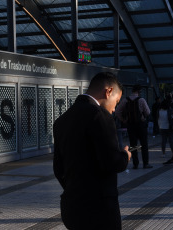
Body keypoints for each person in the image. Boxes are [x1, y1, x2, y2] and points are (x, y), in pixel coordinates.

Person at [53, 72, 131, 230]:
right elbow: (111, 162)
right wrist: (124, 156)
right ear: (108, 92)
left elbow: (58, 168)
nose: (114, 109)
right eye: (115, 103)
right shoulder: (100, 115)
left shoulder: (62, 120)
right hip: (99, 209)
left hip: (72, 207)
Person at [115, 84, 152, 169]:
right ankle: (145, 163)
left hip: (130, 125)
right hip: (141, 125)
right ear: (139, 91)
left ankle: (135, 164)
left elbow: (117, 112)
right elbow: (148, 112)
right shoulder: (141, 100)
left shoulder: (125, 100)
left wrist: (124, 120)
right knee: (144, 144)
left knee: (133, 145)